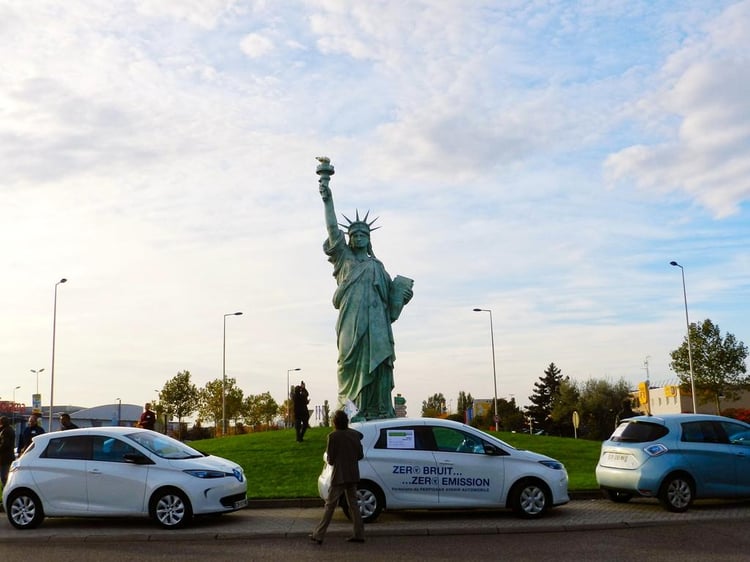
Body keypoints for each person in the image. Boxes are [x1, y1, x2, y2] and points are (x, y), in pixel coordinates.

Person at [317, 157, 413, 420]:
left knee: (379, 366)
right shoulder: (344, 258)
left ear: (369, 239)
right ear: (349, 238)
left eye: (363, 235)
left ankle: (379, 409)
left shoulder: (378, 266)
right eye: (355, 235)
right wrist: (327, 194)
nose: (358, 238)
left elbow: (390, 304)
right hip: (351, 321)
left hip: (376, 326)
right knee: (347, 364)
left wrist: (403, 295)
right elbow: (331, 226)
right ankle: (350, 413)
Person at [309, 410, 365, 545]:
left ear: (335, 422)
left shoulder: (333, 436)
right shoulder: (354, 435)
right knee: (354, 505)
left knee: (330, 506)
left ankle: (319, 534)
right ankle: (359, 533)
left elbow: (331, 460)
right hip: (353, 474)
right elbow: (360, 455)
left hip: (339, 476)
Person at [0, 416, 16, 487]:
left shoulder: (5, 431)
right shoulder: (10, 430)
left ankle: (5, 494)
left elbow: (5, 444)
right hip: (9, 456)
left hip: (4, 458)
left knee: (4, 477)